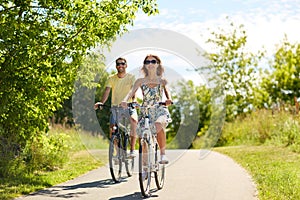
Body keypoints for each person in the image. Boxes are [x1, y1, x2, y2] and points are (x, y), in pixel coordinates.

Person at [121, 54, 172, 164]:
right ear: (145, 65)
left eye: (153, 61)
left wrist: (168, 100)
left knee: (159, 124)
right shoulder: (140, 81)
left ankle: (163, 155)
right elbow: (131, 92)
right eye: (147, 62)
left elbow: (167, 92)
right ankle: (144, 166)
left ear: (158, 64)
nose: (150, 64)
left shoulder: (162, 80)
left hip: (159, 108)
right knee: (142, 135)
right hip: (145, 110)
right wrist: (125, 100)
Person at [94, 57, 137, 157]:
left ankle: (132, 150)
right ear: (116, 66)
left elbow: (133, 91)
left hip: (129, 106)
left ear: (126, 65)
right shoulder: (111, 78)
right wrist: (101, 102)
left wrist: (133, 101)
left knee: (134, 121)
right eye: (118, 64)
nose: (120, 65)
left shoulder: (131, 77)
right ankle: (117, 153)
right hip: (116, 108)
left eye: (122, 63)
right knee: (112, 128)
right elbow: (107, 91)